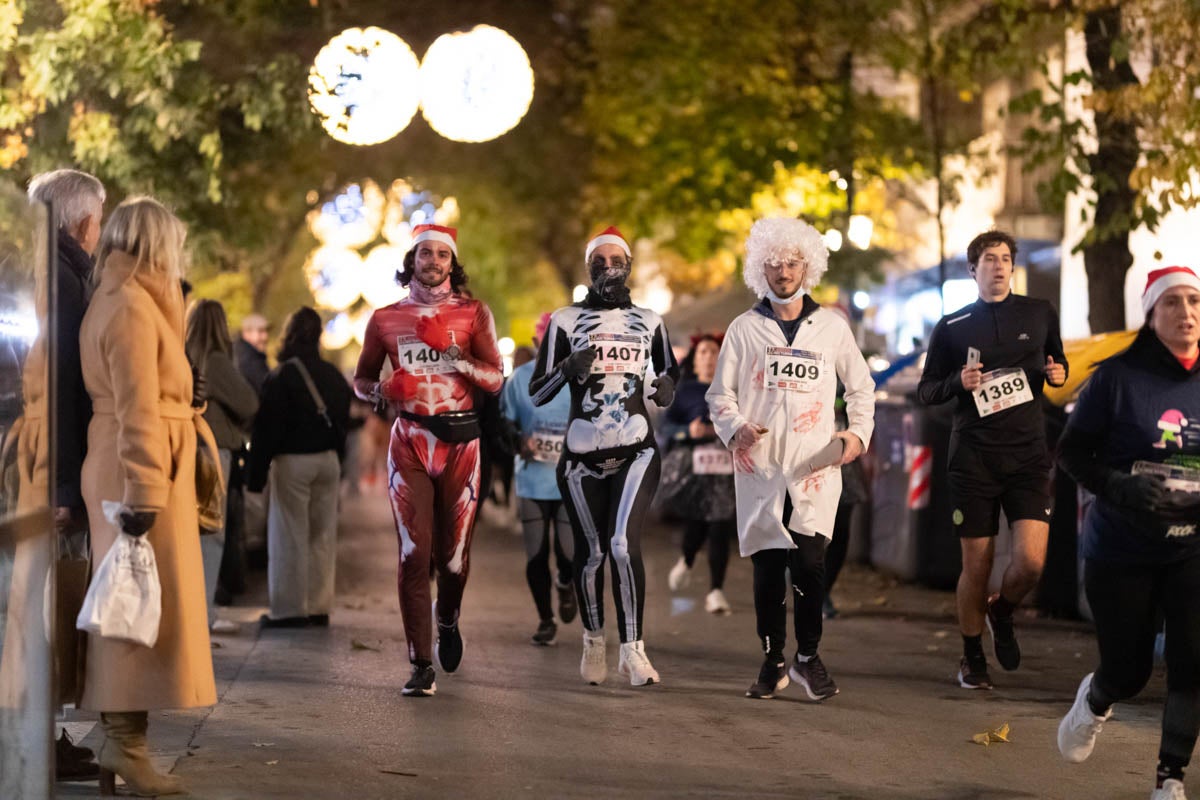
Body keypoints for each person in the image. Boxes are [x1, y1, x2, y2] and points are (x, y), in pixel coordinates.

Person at [77, 197, 216, 795]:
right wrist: (145, 489)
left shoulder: (124, 298)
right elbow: (135, 406)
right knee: (133, 608)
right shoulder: (132, 305)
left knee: (134, 603)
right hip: (139, 471)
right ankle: (124, 743)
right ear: (157, 242)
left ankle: (124, 742)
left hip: (141, 463)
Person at [706, 217, 874, 701]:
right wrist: (735, 426)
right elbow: (721, 395)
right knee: (767, 566)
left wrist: (856, 435)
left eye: (792, 261)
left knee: (810, 566)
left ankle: (808, 658)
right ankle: (772, 659)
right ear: (760, 268)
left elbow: (861, 389)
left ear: (809, 265)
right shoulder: (744, 329)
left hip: (814, 466)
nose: (783, 271)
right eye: (773, 262)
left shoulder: (832, 329)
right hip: (759, 466)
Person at [1056, 267, 1200, 800]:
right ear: (1151, 314)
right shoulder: (1116, 378)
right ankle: (1096, 700)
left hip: (1192, 546)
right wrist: (1121, 487)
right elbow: (1070, 454)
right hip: (1122, 546)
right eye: (1172, 304)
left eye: (1194, 301)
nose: (1186, 313)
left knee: (1192, 663)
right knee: (1130, 670)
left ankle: (1170, 780)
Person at [353, 224, 503, 697]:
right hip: (410, 441)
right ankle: (420, 662)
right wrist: (381, 391)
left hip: (462, 442)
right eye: (424, 253)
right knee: (413, 554)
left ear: (451, 263)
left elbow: (495, 379)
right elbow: (359, 380)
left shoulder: (474, 312)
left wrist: (453, 355)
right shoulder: (384, 319)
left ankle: (448, 618)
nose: (433, 260)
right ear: (411, 259)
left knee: (453, 560)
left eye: (442, 254)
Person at [916, 230, 1068, 690]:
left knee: (1031, 564)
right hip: (974, 459)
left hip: (1027, 457)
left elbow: (1056, 361)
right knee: (977, 566)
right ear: (972, 270)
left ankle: (1001, 610)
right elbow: (927, 391)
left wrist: (1059, 373)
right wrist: (959, 383)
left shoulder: (1039, 312)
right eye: (989, 260)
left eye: (1005, 259)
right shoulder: (953, 325)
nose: (999, 266)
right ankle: (971, 657)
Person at [530, 225, 679, 687]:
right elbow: (537, 392)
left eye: (617, 261)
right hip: (580, 458)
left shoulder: (651, 321)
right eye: (600, 262)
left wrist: (667, 389)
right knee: (592, 553)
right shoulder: (564, 321)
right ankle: (594, 639)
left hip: (636, 450)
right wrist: (566, 369)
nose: (609, 269)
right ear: (588, 268)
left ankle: (634, 650)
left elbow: (670, 374)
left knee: (621, 544)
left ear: (629, 266)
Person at [2, 169, 106, 784]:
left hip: (30, 462)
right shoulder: (64, 279)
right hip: (47, 468)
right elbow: (61, 391)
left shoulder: (27, 267)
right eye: (97, 219)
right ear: (79, 221)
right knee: (42, 610)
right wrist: (66, 488)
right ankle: (36, 738)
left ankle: (40, 734)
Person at [247, 307, 351, 629]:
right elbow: (345, 422)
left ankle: (290, 609)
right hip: (328, 461)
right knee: (322, 535)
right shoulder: (333, 376)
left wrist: (256, 474)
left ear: (289, 334)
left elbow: (267, 429)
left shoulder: (282, 376)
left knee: (289, 533)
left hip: (293, 462)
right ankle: (318, 606)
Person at [500, 312, 577, 646]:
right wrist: (519, 440)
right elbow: (502, 422)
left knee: (569, 553)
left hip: (569, 479)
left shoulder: (579, 380)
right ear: (536, 344)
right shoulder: (519, 379)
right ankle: (545, 619)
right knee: (535, 552)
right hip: (532, 479)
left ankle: (565, 581)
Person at [184, 299, 258, 633]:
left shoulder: (186, 355)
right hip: (212, 453)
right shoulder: (215, 361)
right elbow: (248, 401)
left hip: (187, 448)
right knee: (212, 532)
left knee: (191, 533)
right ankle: (204, 614)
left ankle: (192, 610)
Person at [663, 333, 737, 615]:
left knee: (719, 526)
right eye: (703, 351)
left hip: (725, 470)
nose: (708, 356)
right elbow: (666, 429)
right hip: (693, 470)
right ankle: (687, 559)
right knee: (697, 523)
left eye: (713, 351)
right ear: (695, 358)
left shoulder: (733, 389)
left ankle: (716, 591)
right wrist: (687, 432)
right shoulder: (684, 391)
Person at [234, 313, 271, 395]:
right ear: (246, 333)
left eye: (266, 331)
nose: (266, 336)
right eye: (261, 331)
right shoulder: (249, 360)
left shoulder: (240, 352)